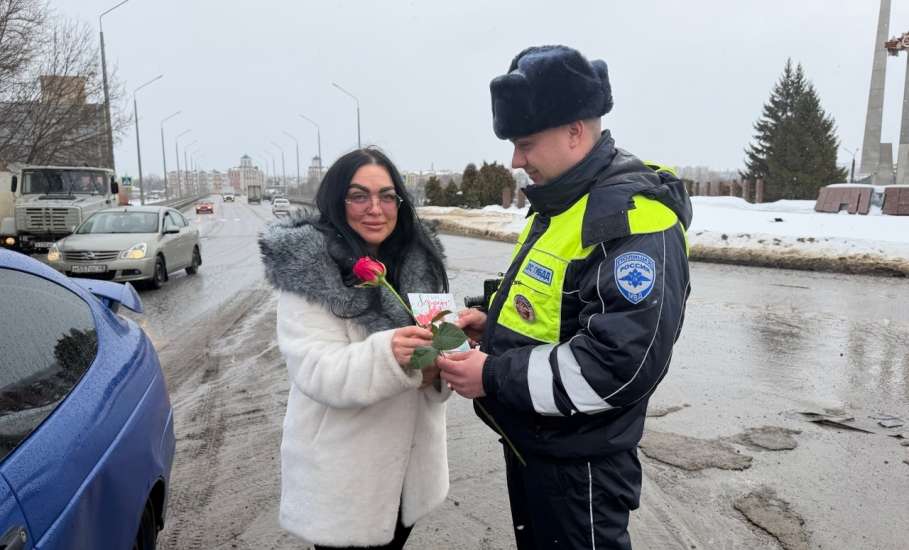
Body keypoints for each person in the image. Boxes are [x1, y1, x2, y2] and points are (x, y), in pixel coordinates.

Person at [438, 45, 693, 549]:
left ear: (576, 132)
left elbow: (615, 367)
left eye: (525, 143)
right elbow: (565, 309)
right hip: (538, 445)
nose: (515, 159)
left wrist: (490, 373)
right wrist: (494, 324)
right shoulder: (565, 202)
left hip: (583, 466)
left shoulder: (633, 220)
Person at [259, 147, 451, 550]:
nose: (375, 208)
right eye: (359, 196)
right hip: (345, 482)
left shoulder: (420, 261)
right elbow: (316, 370)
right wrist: (390, 354)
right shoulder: (310, 271)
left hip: (409, 474)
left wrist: (447, 355)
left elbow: (436, 352)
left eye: (386, 196)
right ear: (337, 200)